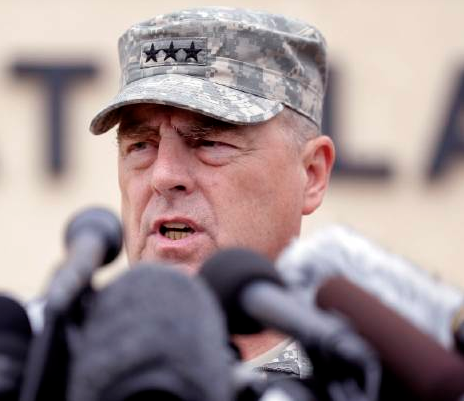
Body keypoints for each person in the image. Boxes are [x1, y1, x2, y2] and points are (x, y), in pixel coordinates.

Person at [90, 6, 335, 373]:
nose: (163, 176)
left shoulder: (362, 380)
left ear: (312, 174)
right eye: (141, 145)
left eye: (210, 143)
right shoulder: (53, 371)